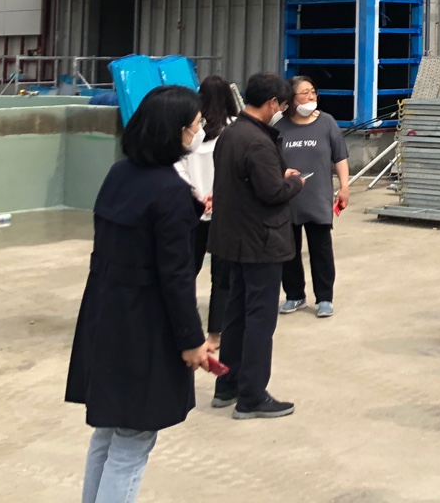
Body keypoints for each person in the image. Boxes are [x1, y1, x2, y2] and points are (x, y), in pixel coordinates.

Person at [66, 85, 218, 502]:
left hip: (106, 315)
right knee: (133, 442)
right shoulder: (169, 191)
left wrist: (189, 209)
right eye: (195, 126)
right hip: (145, 328)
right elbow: (176, 277)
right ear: (175, 131)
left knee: (107, 433)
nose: (199, 133)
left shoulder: (120, 174)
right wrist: (191, 341)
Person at [209, 73, 305, 419]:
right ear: (271, 104)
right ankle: (251, 395)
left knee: (235, 314)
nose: (282, 111)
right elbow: (272, 192)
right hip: (261, 240)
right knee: (260, 320)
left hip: (233, 238)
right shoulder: (258, 141)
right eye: (282, 105)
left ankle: (228, 385)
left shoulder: (230, 134)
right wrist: (294, 182)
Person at [277, 77, 350, 319]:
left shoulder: (327, 122)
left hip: (318, 198)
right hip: (287, 199)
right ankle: (294, 294)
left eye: (313, 92)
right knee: (289, 251)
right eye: (304, 93)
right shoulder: (279, 126)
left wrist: (344, 187)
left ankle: (325, 298)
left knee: (321, 250)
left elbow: (340, 157)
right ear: (291, 99)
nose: (310, 97)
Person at [176, 74, 238, 345]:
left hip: (193, 210)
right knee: (222, 276)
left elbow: (178, 168)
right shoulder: (235, 129)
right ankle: (216, 334)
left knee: (186, 270)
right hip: (225, 212)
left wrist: (197, 196)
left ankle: (182, 325)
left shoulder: (191, 133)